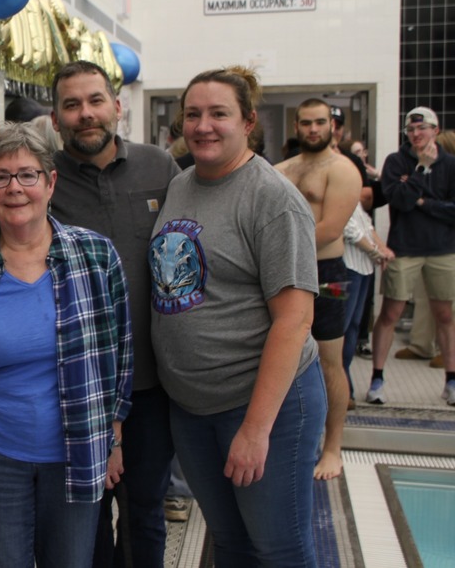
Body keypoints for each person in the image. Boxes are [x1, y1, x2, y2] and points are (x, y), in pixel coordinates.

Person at [149, 66, 326, 567]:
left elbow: (294, 321)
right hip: (192, 407)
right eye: (193, 114)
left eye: (219, 114)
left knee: (280, 549)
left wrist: (255, 428)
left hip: (264, 405)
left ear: (248, 122)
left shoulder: (272, 199)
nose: (203, 125)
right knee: (228, 542)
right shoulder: (182, 184)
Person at [0, 123, 133, 568]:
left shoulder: (96, 256)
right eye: (1, 176)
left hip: (79, 450)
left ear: (50, 182)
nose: (15, 188)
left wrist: (114, 441)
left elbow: (121, 355)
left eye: (28, 175)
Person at [47, 60, 182, 567]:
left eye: (95, 101)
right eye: (72, 105)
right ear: (56, 117)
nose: (86, 114)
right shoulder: (46, 179)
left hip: (152, 384)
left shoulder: (160, 168)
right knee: (88, 512)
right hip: (78, 387)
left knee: (145, 510)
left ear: (117, 107)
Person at [274, 98, 362, 480]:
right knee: (278, 355)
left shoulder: (342, 170)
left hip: (327, 274)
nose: (313, 129)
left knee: (331, 360)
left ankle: (332, 448)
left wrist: (269, 246)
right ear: (296, 125)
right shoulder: (281, 169)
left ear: (332, 126)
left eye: (320, 122)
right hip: (282, 272)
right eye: (306, 123)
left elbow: (329, 230)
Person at [367, 107, 455, 407]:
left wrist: (422, 201)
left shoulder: (450, 164)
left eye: (422, 129)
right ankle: (377, 378)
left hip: (442, 248)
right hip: (405, 248)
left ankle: (451, 380)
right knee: (390, 313)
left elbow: (452, 211)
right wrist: (419, 170)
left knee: (445, 314)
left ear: (436, 129)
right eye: (411, 130)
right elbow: (400, 201)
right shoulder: (397, 162)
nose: (416, 134)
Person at [396, 128, 455, 369]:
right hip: (425, 244)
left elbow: (448, 209)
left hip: (446, 245)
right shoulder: (426, 171)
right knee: (424, 297)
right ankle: (422, 345)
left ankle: (445, 350)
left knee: (446, 303)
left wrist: (422, 202)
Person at [340, 201, 394, 407]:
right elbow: (348, 228)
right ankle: (341, 387)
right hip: (345, 269)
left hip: (364, 269)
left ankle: (346, 385)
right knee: (339, 330)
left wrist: (381, 248)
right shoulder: (338, 179)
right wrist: (376, 252)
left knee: (353, 328)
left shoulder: (352, 192)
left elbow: (366, 224)